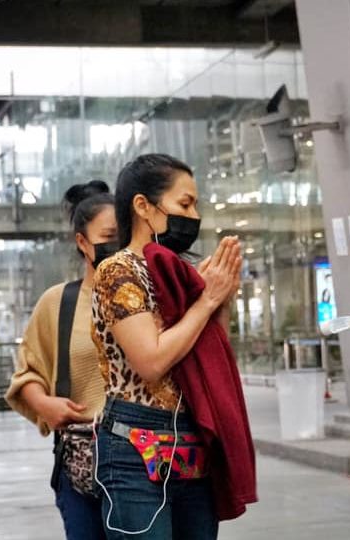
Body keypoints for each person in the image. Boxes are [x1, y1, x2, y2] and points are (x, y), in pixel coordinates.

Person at [91, 154, 241, 539]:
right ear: (143, 206)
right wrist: (205, 303)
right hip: (135, 443)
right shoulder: (118, 269)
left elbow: (213, 358)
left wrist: (220, 300)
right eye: (185, 203)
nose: (194, 215)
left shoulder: (182, 272)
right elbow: (152, 361)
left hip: (191, 440)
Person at [6, 180, 118, 540]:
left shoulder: (151, 296)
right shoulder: (59, 303)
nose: (118, 245)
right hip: (80, 462)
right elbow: (26, 372)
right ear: (82, 242)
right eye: (109, 235)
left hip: (147, 463)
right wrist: (45, 404)